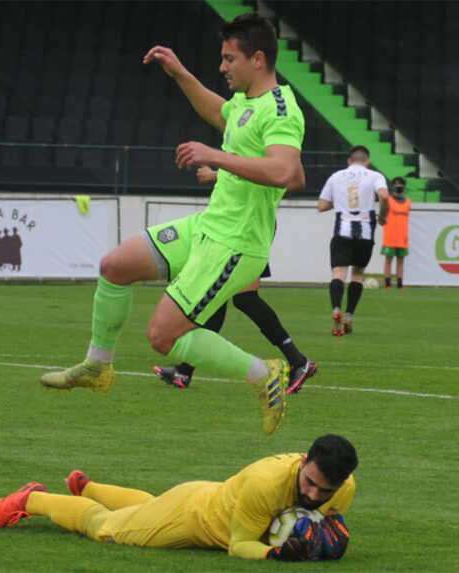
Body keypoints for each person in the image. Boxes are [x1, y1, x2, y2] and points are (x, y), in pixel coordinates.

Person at [38, 13, 305, 435]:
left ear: (257, 59)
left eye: (229, 59)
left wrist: (214, 156)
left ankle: (264, 373)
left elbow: (286, 172)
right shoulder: (245, 103)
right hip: (207, 226)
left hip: (234, 244)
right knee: (115, 266)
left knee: (162, 337)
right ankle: (97, 366)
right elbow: (219, 113)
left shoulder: (281, 109)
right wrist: (180, 73)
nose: (222, 67)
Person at [0, 434, 357, 561]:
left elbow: (322, 524)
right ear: (303, 462)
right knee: (104, 527)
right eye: (309, 482)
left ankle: (87, 487)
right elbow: (239, 545)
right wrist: (275, 554)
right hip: (190, 519)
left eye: (324, 491)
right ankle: (31, 500)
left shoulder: (345, 487)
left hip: (205, 495)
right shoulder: (265, 483)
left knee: (147, 506)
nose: (313, 495)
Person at [151, 171, 318, 391]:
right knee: (220, 299)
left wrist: (215, 173)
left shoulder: (274, 152)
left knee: (245, 299)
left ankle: (298, 360)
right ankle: (184, 371)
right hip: (241, 221)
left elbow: (289, 177)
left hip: (250, 225)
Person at [318, 145, 389, 336]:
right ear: (367, 161)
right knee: (357, 275)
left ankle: (336, 308)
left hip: (342, 231)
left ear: (349, 161)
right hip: (365, 233)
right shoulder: (374, 176)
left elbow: (322, 205)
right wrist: (383, 215)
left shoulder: (336, 177)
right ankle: (349, 315)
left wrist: (340, 201)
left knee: (338, 274)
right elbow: (383, 195)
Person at [380, 177, 411, 289]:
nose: (399, 186)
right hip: (390, 235)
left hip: (403, 236)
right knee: (388, 260)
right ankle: (388, 283)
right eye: (396, 184)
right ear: (392, 186)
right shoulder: (388, 200)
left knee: (401, 260)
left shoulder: (408, 202)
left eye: (401, 184)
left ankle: (400, 283)